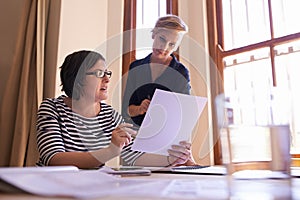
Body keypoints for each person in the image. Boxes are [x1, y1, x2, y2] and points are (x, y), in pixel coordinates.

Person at [36, 50, 194, 169]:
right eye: (99, 73)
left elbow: (134, 155)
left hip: (90, 188)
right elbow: (54, 158)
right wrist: (111, 150)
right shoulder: (51, 108)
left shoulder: (110, 115)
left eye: (107, 73)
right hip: (50, 187)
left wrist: (171, 158)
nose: (107, 79)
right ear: (77, 78)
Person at [122, 14, 191, 127]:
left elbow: (184, 115)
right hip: (135, 135)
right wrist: (139, 109)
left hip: (167, 135)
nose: (164, 48)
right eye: (162, 39)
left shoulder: (181, 73)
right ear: (154, 34)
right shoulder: (135, 67)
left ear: (176, 47)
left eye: (171, 44)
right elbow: (126, 110)